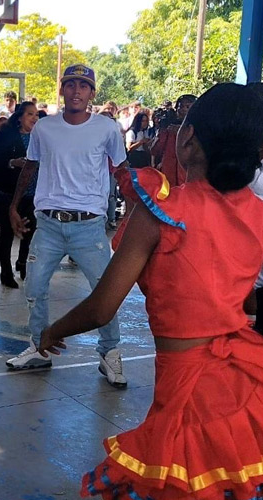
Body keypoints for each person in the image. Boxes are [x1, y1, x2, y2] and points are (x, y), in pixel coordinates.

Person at [38, 83, 263, 500]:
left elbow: (102, 307)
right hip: (243, 377)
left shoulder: (163, 213)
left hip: (188, 392)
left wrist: (54, 331)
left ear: (188, 138)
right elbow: (246, 297)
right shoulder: (258, 212)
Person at [4, 65, 128, 388]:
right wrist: (14, 205)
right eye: (70, 85)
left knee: (106, 293)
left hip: (90, 227)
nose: (76, 91)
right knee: (34, 288)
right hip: (48, 225)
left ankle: (109, 353)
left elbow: (122, 171)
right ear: (61, 90)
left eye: (83, 86)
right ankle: (39, 347)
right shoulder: (44, 128)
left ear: (92, 93)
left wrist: (134, 210)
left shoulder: (107, 129)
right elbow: (30, 166)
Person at [0, 101, 39, 288]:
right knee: (8, 232)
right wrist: (13, 162)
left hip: (32, 192)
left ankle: (23, 263)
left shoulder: (39, 137)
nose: (34, 118)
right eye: (30, 114)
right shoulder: (6, 135)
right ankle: (6, 272)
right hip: (6, 191)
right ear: (19, 118)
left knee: (29, 230)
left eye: (36, 115)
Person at [150, 94, 197, 187]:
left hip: (189, 178)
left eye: (187, 106)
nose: (183, 110)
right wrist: (162, 131)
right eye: (180, 106)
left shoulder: (200, 130)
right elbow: (155, 149)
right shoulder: (169, 128)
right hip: (169, 177)